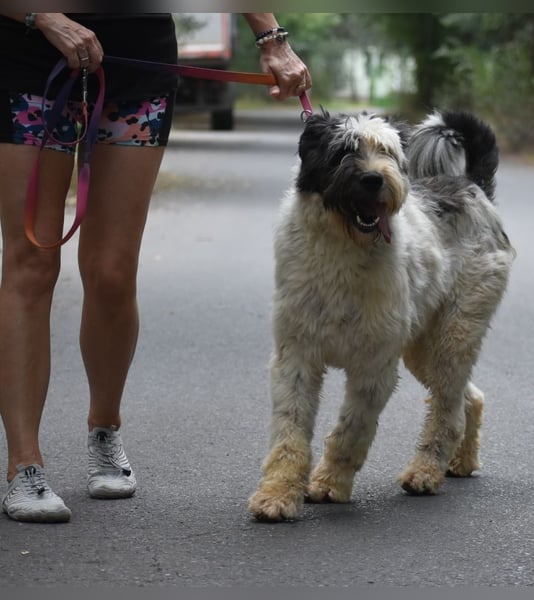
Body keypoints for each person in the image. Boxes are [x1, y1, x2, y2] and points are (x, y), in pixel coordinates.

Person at [0, 12, 311, 522]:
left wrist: (272, 38)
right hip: (27, 55)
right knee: (31, 263)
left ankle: (105, 429)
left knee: (113, 270)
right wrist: (42, 16)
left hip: (136, 60)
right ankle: (24, 465)